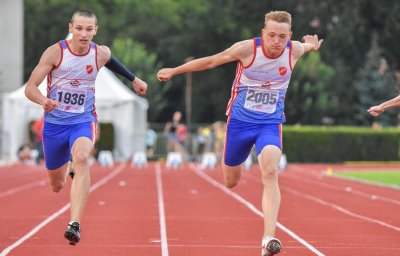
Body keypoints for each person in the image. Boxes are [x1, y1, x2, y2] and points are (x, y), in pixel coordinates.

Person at [157, 10, 322, 256]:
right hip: (240, 124)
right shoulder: (247, 49)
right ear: (263, 33)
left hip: (270, 123)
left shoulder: (294, 50)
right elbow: (211, 61)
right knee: (231, 181)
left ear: (290, 36)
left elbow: (305, 46)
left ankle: (269, 239)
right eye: (272, 35)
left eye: (282, 37)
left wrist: (310, 46)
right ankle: (241, 160)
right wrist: (175, 70)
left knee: (270, 171)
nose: (277, 42)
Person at [24, 9, 147, 245]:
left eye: (89, 29)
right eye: (79, 28)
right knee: (57, 185)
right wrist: (43, 101)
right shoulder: (55, 53)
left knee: (81, 158)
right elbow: (30, 87)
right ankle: (68, 167)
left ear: (95, 31)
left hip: (83, 121)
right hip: (54, 125)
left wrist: (134, 79)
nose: (83, 34)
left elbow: (112, 62)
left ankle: (75, 224)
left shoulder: (99, 54)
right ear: (70, 28)